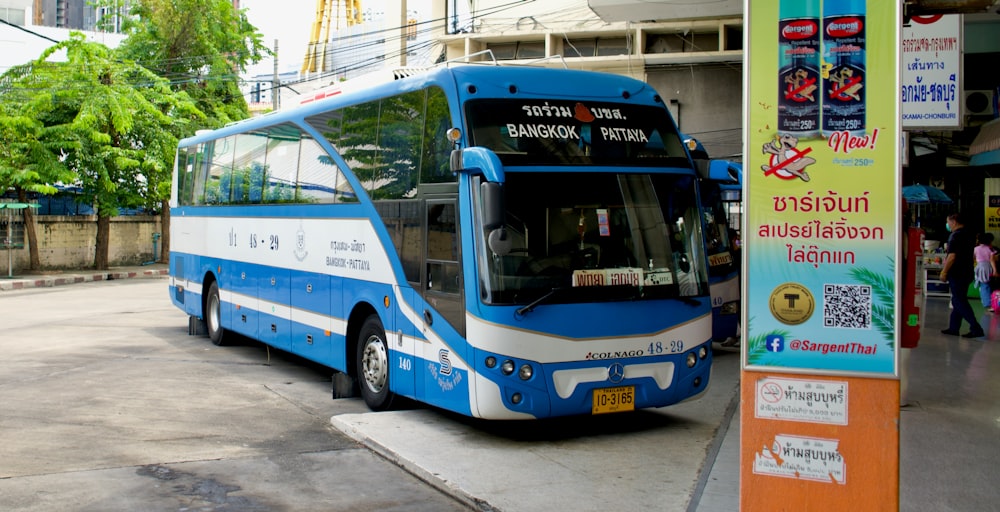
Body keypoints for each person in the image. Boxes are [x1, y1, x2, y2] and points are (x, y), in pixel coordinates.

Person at [940, 213, 985, 338]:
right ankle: (954, 328)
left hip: (957, 272)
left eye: (948, 222)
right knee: (958, 299)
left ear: (954, 221)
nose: (947, 225)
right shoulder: (969, 234)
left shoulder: (955, 235)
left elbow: (952, 256)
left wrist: (944, 271)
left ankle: (975, 327)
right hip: (967, 271)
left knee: (959, 300)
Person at [973, 232, 998, 312]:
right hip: (988, 267)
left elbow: (973, 258)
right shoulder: (990, 249)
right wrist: (995, 270)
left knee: (984, 286)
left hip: (980, 268)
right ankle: (992, 302)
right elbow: (992, 260)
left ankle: (988, 303)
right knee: (988, 285)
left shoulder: (976, 249)